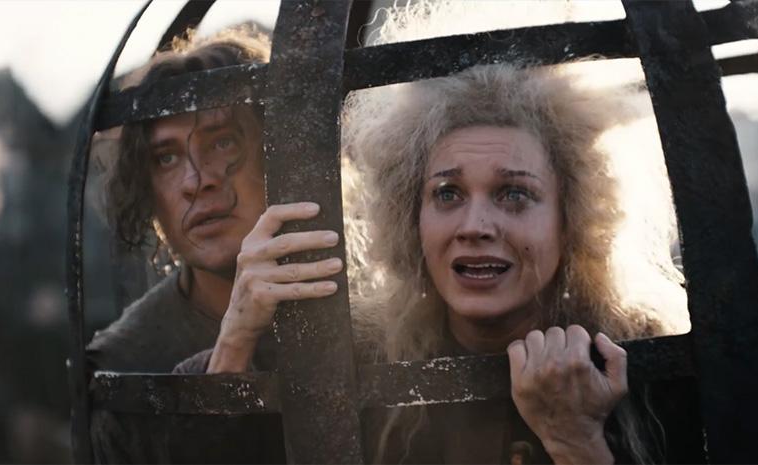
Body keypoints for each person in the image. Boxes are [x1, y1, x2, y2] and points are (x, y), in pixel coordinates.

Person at [342, 54, 698, 465]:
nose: (474, 226)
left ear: (572, 219)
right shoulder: (355, 363)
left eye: (514, 194)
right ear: (411, 218)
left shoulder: (661, 364)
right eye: (447, 193)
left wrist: (576, 442)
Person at [86, 25, 370, 463]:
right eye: (166, 157)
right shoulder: (123, 363)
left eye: (223, 142)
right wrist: (232, 348)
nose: (197, 181)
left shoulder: (380, 307)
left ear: (281, 151)